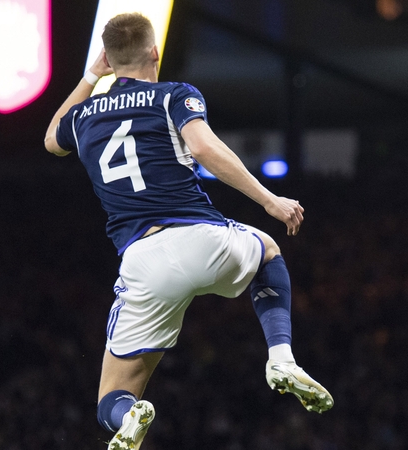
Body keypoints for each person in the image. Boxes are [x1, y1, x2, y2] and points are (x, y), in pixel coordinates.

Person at [44, 13, 333, 449]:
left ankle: (130, 415)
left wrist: (89, 76)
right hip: (203, 238)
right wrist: (270, 201)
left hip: (144, 262)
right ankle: (281, 358)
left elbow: (51, 139)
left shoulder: (83, 116)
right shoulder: (173, 95)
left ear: (108, 58)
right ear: (155, 51)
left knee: (112, 396)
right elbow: (200, 145)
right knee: (267, 251)